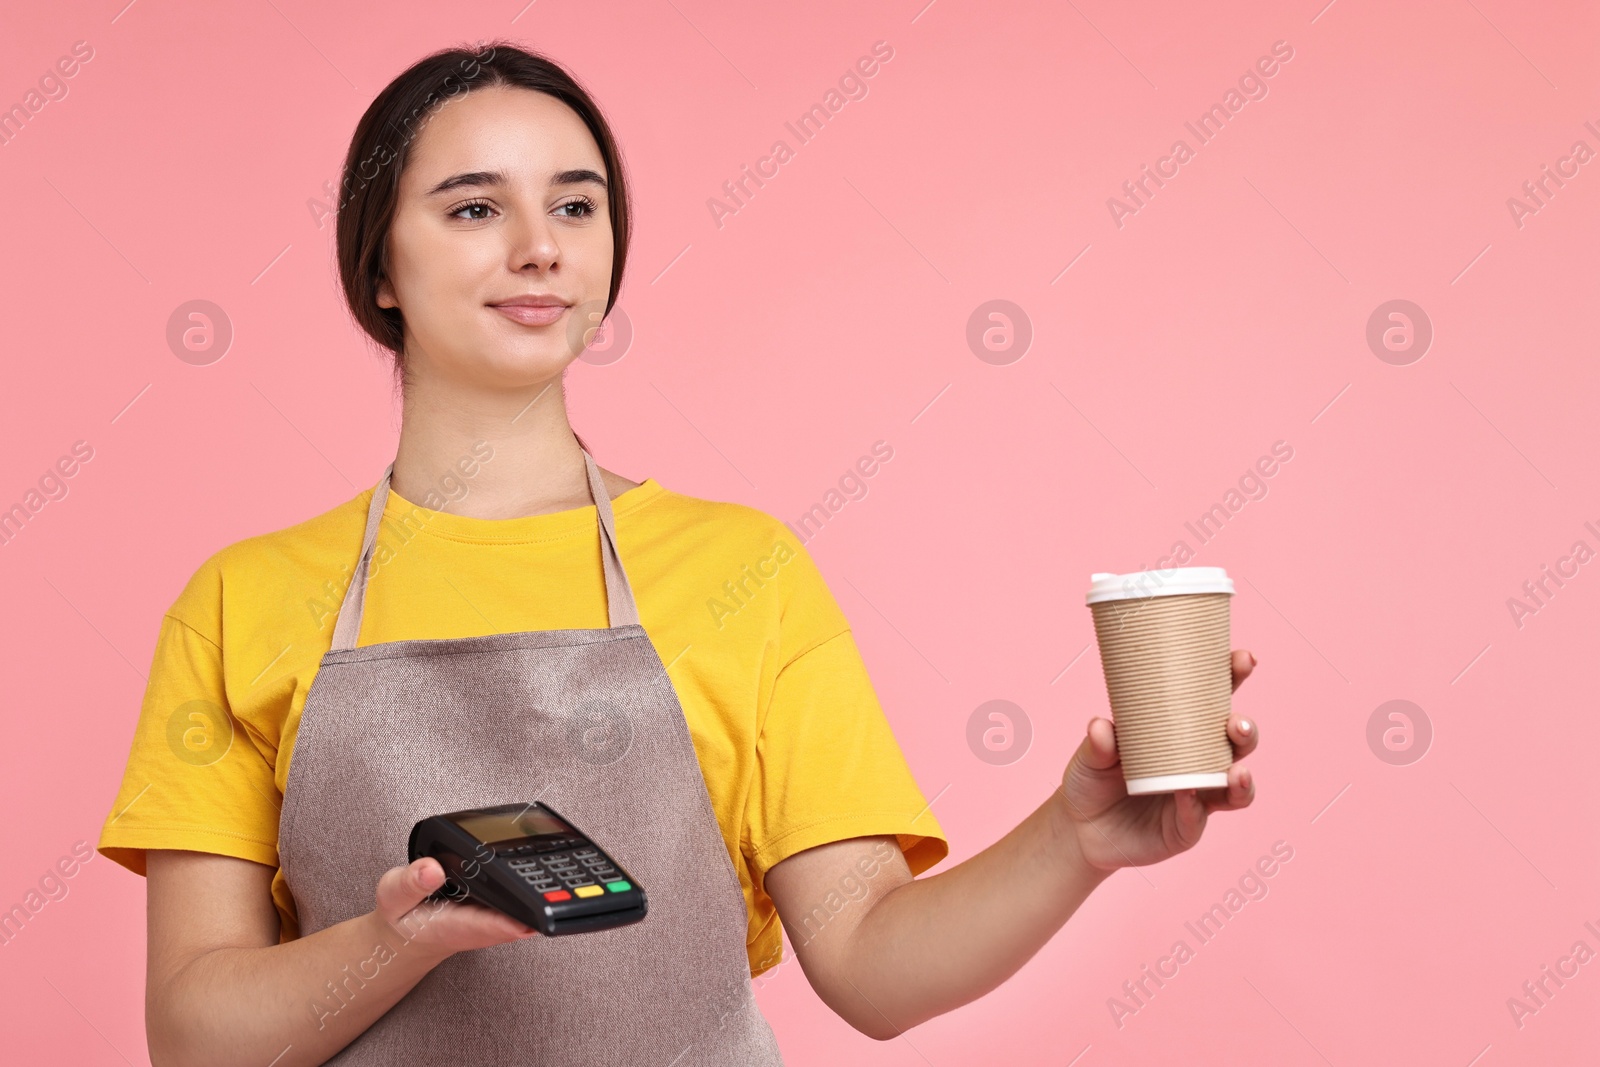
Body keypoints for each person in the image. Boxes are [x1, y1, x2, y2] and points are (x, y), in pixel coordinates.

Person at [97, 40, 1260, 1067]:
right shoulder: (243, 600)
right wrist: (391, 940)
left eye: (575, 205)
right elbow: (196, 1039)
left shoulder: (741, 570)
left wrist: (1077, 836)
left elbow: (868, 960)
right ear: (380, 267)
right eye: (471, 208)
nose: (538, 248)